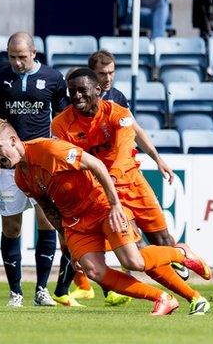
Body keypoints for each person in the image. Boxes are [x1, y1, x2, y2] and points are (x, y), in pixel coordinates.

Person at [0, 119, 211, 316]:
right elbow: (49, 209)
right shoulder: (21, 177)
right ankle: (163, 299)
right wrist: (69, 244)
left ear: (13, 140)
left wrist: (115, 205)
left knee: (134, 262)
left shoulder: (49, 150)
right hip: (75, 223)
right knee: (95, 271)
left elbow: (96, 164)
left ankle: (180, 253)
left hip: (100, 206)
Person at [51, 68, 211, 314]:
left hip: (131, 184)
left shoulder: (119, 114)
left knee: (160, 242)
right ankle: (189, 296)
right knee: (136, 255)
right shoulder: (61, 124)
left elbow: (125, 151)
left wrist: (155, 159)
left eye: (82, 90)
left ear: (98, 90)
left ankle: (184, 268)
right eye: (72, 91)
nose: (77, 96)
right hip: (101, 197)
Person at [64, 51, 181, 305]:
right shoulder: (74, 106)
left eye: (112, 73)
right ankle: (98, 288)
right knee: (126, 245)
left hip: (127, 178)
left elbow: (135, 130)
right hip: (100, 187)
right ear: (92, 76)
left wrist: (157, 157)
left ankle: (177, 262)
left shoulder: (117, 100)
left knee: (159, 237)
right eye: (103, 74)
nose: (108, 78)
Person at [0, 31, 70, 307]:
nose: (17, 62)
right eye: (12, 57)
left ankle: (41, 289)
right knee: (11, 226)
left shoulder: (54, 79)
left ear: (34, 53)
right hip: (10, 165)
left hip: (42, 163)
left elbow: (63, 118)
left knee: (46, 221)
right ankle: (15, 292)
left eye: (22, 57)